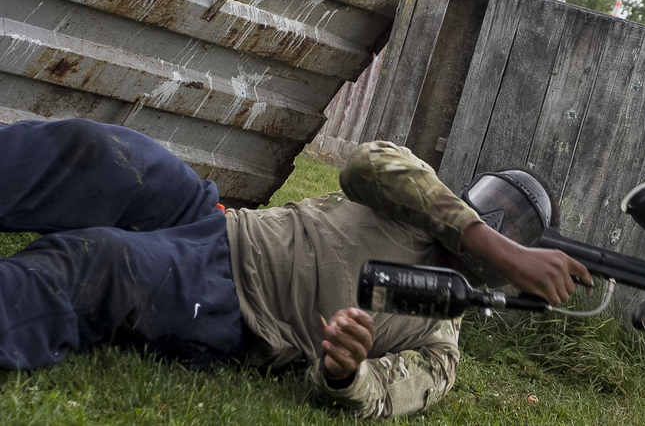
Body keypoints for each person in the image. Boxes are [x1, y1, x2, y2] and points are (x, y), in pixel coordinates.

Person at [0, 118, 591, 419]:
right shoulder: (424, 199)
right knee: (106, 152)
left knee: (98, 262)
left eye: (513, 225)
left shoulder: (441, 338)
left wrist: (346, 369)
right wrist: (483, 236)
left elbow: (379, 395)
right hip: (222, 219)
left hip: (234, 295)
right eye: (493, 201)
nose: (494, 218)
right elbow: (366, 163)